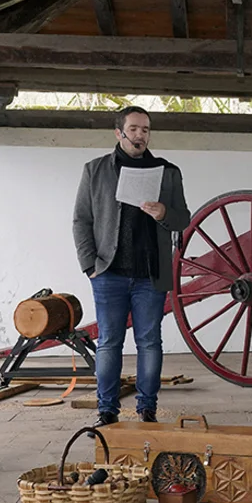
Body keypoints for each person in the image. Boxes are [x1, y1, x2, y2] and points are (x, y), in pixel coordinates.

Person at [72, 106, 190, 426]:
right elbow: (81, 220)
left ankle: (147, 409)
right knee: (109, 342)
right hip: (108, 272)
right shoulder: (95, 170)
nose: (140, 135)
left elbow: (183, 218)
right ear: (119, 133)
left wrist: (164, 213)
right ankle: (107, 410)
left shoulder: (168, 172)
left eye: (145, 130)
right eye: (134, 129)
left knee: (149, 343)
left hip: (150, 274)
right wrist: (89, 265)